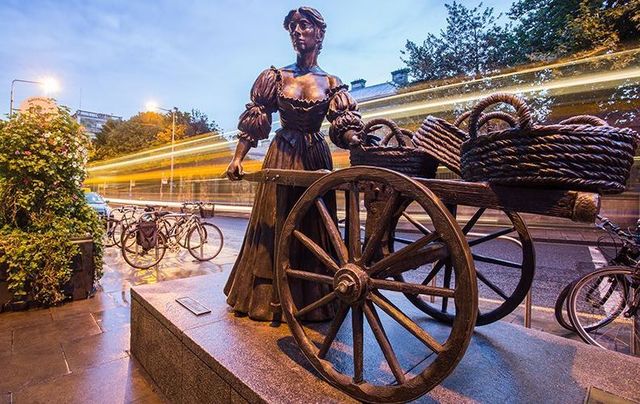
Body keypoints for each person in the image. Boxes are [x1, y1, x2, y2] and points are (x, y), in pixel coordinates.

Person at [224, 6, 363, 321]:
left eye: (304, 25)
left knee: (315, 224)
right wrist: (237, 158)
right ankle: (265, 299)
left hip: (316, 158)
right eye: (292, 28)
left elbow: (343, 123)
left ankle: (313, 298)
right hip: (283, 154)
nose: (297, 32)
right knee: (276, 224)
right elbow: (256, 120)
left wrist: (356, 139)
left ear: (319, 33)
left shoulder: (331, 82)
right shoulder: (276, 77)